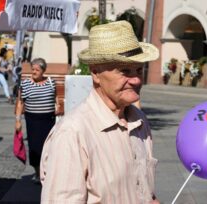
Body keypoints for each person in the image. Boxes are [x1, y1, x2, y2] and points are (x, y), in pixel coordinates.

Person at [40, 21, 160, 203]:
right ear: (95, 73)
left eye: (139, 70)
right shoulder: (72, 133)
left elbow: (141, 190)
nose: (136, 80)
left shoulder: (139, 120)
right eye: (125, 71)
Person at [15, 58, 59, 183]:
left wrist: (58, 106)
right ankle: (38, 173)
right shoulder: (25, 83)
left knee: (49, 147)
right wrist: (18, 120)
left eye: (37, 70)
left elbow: (55, 97)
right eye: (32, 69)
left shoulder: (51, 82)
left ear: (43, 70)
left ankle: (47, 173)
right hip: (32, 120)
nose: (34, 72)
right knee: (34, 147)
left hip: (48, 120)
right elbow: (20, 103)